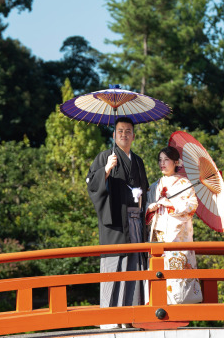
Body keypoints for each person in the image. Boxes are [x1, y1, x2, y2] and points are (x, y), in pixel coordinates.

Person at [86, 116, 149, 326]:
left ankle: (133, 316)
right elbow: (92, 185)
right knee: (115, 266)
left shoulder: (138, 161)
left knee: (135, 266)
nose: (124, 134)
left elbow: (145, 191)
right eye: (120, 131)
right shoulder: (105, 156)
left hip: (135, 223)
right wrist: (106, 170)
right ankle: (111, 319)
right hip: (115, 223)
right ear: (114, 135)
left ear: (133, 135)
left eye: (128, 131)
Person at [145, 146, 203, 304]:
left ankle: (179, 305)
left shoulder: (185, 184)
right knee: (158, 269)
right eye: (160, 160)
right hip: (158, 234)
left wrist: (171, 204)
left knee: (176, 272)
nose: (162, 163)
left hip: (177, 237)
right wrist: (150, 208)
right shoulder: (155, 185)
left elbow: (192, 206)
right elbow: (146, 207)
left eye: (166, 160)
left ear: (176, 162)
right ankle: (156, 302)